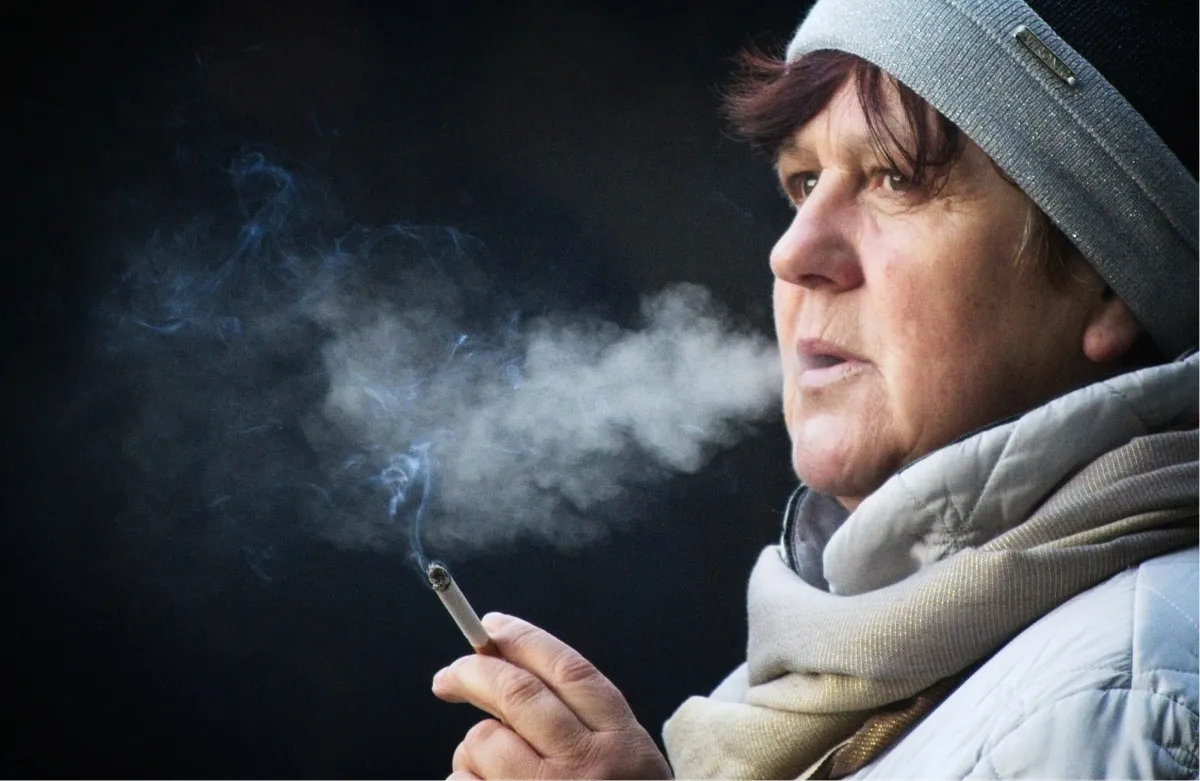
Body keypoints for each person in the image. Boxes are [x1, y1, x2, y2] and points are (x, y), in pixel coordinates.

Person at [431, 0, 1198, 777]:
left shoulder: (1120, 698)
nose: (794, 252)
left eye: (896, 178)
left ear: (1106, 282)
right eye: (802, 183)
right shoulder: (837, 674)